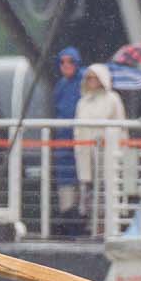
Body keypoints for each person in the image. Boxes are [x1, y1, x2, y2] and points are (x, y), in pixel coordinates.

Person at [73, 63, 124, 226]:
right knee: (88, 188)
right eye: (89, 78)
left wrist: (120, 148)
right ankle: (90, 223)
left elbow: (120, 124)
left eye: (95, 78)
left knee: (107, 187)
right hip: (85, 151)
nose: (92, 81)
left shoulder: (112, 99)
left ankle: (107, 224)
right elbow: (78, 127)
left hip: (107, 151)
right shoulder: (83, 101)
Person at [50, 46, 82, 213]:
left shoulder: (84, 81)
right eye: (62, 62)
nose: (66, 65)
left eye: (70, 61)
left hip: (81, 139)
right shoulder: (60, 86)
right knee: (66, 183)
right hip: (63, 143)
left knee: (84, 180)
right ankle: (68, 217)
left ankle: (84, 220)